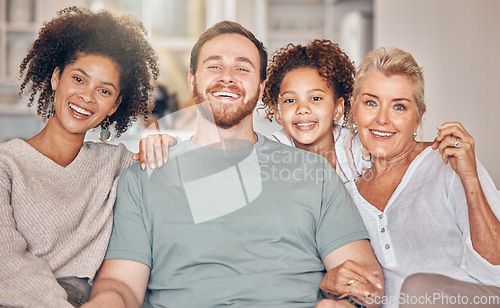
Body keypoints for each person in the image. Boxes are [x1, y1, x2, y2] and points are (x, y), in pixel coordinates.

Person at [84, 21, 383, 308]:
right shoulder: (143, 177)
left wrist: (341, 303)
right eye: (214, 66)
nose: (227, 77)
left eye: (242, 68)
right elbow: (121, 285)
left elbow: (365, 281)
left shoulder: (315, 172)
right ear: (192, 80)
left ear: (262, 85)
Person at [0, 7, 171, 307]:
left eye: (104, 91)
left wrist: (161, 141)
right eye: (79, 80)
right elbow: (5, 260)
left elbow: (175, 171)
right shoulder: (6, 165)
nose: (87, 97)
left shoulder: (116, 163)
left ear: (115, 104)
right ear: (56, 78)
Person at [320, 47, 500, 307]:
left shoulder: (449, 162)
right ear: (352, 109)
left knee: (418, 288)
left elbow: (496, 270)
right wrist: (330, 284)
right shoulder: (346, 196)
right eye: (371, 102)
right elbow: (366, 291)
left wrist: (470, 179)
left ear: (418, 118)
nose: (382, 119)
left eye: (399, 107)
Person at [261, 39, 371, 184]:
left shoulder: (357, 150)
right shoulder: (269, 153)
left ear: (337, 108)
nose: (302, 109)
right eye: (290, 100)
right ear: (277, 113)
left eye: (315, 98)